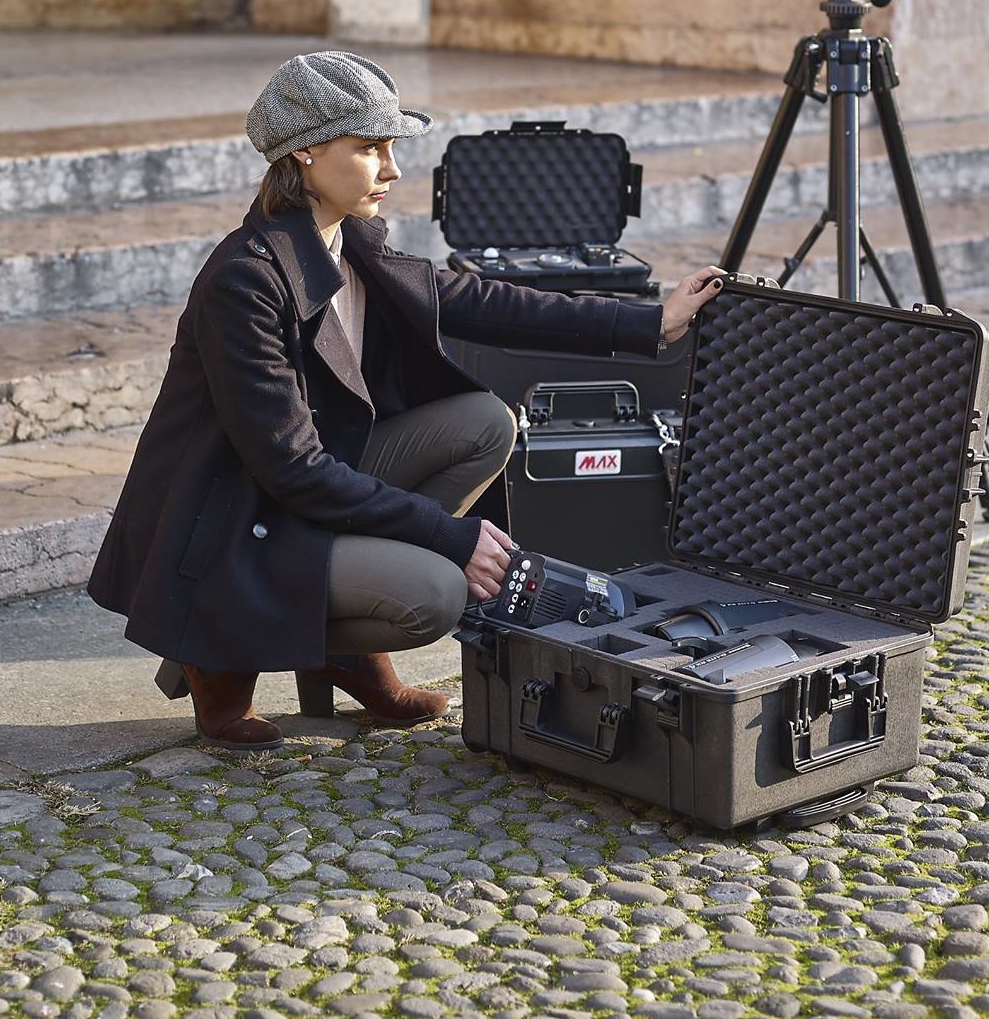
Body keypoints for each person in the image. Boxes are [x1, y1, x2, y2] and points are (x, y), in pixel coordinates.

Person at [87, 50, 726, 750]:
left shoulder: (349, 241)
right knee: (436, 593)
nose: (392, 169)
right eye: (370, 148)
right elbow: (291, 469)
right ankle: (218, 656)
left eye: (391, 147)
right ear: (304, 152)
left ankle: (340, 653)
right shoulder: (245, 281)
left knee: (484, 423)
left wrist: (649, 323)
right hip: (241, 521)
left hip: (311, 489)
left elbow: (477, 300)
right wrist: (448, 535)